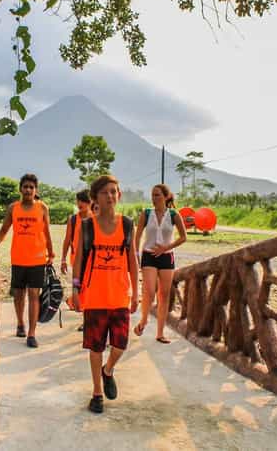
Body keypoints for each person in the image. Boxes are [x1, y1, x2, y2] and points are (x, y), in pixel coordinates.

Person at [72, 175, 138, 414]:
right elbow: (79, 259)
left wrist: (136, 292)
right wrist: (75, 289)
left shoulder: (127, 225)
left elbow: (132, 260)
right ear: (95, 198)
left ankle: (108, 370)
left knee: (120, 345)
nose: (110, 196)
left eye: (114, 191)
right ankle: (97, 392)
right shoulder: (88, 226)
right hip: (95, 297)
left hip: (120, 295)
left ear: (119, 195)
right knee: (96, 347)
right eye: (104, 192)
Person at [0, 174, 54, 348]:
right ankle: (20, 323)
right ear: (20, 189)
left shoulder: (42, 208)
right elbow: (5, 229)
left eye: (31, 187)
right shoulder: (13, 208)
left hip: (37, 259)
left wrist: (51, 253)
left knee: (34, 295)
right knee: (19, 294)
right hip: (18, 258)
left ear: (36, 190)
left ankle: (32, 333)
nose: (28, 190)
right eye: (25, 186)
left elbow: (47, 232)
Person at [133, 184, 187, 344]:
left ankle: (160, 333)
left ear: (165, 196)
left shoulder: (173, 215)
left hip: (166, 257)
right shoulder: (146, 213)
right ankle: (143, 321)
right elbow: (137, 237)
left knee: (163, 295)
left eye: (157, 195)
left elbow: (183, 237)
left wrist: (166, 247)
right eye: (152, 195)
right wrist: (137, 256)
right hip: (149, 256)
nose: (154, 198)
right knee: (149, 291)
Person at [61, 190, 92, 331]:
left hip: (91, 260)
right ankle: (73, 301)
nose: (80, 204)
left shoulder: (95, 218)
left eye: (84, 201)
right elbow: (67, 240)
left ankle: (87, 320)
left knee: (88, 289)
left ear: (90, 202)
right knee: (79, 287)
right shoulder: (73, 219)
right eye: (78, 201)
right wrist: (62, 259)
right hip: (76, 260)